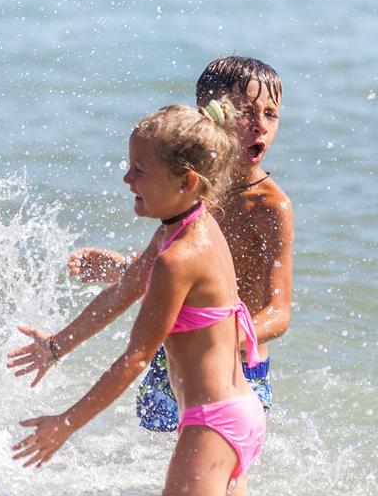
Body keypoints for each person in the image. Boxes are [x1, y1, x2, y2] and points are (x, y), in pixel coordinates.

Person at [9, 102, 266, 496]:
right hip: (238, 414)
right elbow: (124, 291)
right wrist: (56, 347)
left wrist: (66, 424)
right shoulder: (189, 226)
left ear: (186, 181)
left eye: (139, 170)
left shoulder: (179, 258)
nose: (127, 178)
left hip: (211, 426)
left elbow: (136, 359)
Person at [67, 56, 292, 431]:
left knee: (220, 479)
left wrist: (219, 337)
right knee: (161, 472)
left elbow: (279, 313)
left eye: (271, 114)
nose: (260, 126)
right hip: (171, 361)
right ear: (211, 116)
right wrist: (126, 268)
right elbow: (182, 268)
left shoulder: (271, 207)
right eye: (248, 113)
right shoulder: (192, 189)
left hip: (237, 369)